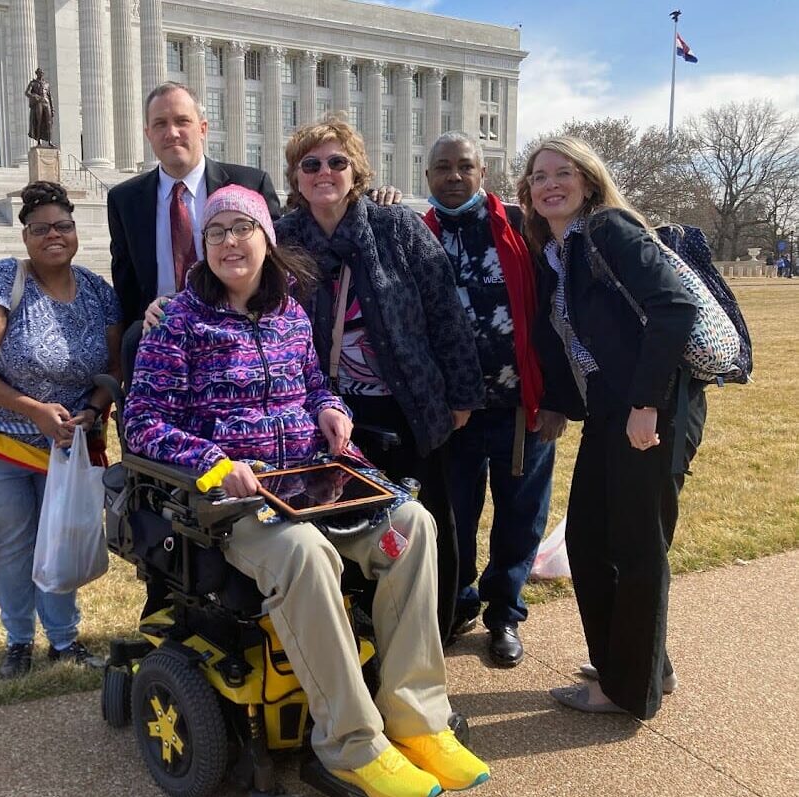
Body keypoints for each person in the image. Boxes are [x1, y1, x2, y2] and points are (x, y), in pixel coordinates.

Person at [124, 184, 490, 797]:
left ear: (268, 240)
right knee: (305, 554)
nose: (230, 242)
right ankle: (350, 743)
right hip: (229, 500)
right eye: (217, 232)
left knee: (414, 526)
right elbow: (142, 423)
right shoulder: (178, 324)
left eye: (244, 229)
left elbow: (314, 385)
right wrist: (213, 462)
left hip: (310, 479)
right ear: (204, 247)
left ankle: (415, 718)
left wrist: (330, 411)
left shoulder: (290, 314)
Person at [274, 117, 485, 643]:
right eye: (311, 164)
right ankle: (363, 634)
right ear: (297, 178)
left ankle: (433, 629)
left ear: (357, 171)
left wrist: (460, 393)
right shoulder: (281, 240)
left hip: (406, 404)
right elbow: (225, 282)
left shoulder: (396, 228)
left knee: (423, 520)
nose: (325, 172)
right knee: (343, 523)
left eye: (337, 162)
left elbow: (444, 314)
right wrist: (168, 305)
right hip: (323, 413)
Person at [518, 136, 698, 718]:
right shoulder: (558, 254)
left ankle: (625, 692)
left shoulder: (610, 230)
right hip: (609, 410)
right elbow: (579, 344)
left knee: (633, 546)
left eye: (562, 172)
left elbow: (673, 308)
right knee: (592, 541)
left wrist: (646, 404)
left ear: (589, 181)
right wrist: (560, 407)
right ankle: (643, 666)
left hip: (652, 409)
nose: (549, 184)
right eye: (538, 176)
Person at [0, 181, 121, 679]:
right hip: (2, 441)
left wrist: (94, 406)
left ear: (76, 231)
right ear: (25, 237)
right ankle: (18, 639)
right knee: (15, 543)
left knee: (61, 538)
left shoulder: (98, 293)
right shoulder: (3, 280)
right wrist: (31, 409)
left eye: (63, 226)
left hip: (66, 447)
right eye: (40, 229)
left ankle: (64, 640)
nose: (53, 236)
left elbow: (115, 365)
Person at [422, 132, 566, 667]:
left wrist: (554, 398)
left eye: (465, 166)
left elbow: (556, 315)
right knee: (451, 516)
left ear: (484, 172)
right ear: (428, 176)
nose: (454, 176)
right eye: (443, 168)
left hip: (519, 405)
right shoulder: (417, 233)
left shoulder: (520, 227)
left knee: (520, 513)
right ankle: (456, 605)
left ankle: (503, 612)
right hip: (453, 413)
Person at [107, 81, 282, 332]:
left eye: (182, 121)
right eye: (160, 124)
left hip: (238, 335)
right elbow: (126, 282)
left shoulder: (250, 184)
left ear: (202, 128)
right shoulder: (124, 200)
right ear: (148, 134)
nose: (172, 133)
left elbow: (275, 262)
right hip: (160, 336)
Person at [26, 68, 55, 147]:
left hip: (47, 102)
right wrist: (34, 96)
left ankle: (49, 141)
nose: (41, 74)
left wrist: (52, 109)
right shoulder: (33, 83)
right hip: (39, 103)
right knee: (39, 121)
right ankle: (38, 141)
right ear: (37, 73)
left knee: (49, 122)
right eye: (39, 73)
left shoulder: (46, 84)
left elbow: (50, 97)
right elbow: (27, 93)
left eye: (42, 72)